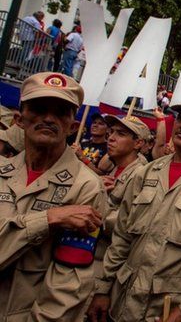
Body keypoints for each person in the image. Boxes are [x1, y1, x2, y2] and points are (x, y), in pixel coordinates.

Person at [88, 92, 181, 322]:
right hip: (122, 302)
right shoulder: (147, 172)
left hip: (167, 310)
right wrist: (103, 287)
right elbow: (122, 236)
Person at [0, 72, 107, 320]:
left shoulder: (85, 186)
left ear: (72, 126)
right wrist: (47, 218)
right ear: (20, 119)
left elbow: (68, 288)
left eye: (61, 112)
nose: (49, 118)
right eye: (38, 108)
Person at [93, 115, 150, 281]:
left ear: (138, 143)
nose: (111, 138)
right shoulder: (115, 167)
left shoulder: (142, 175)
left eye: (121, 134)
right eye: (111, 132)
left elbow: (126, 224)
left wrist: (94, 202)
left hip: (108, 266)